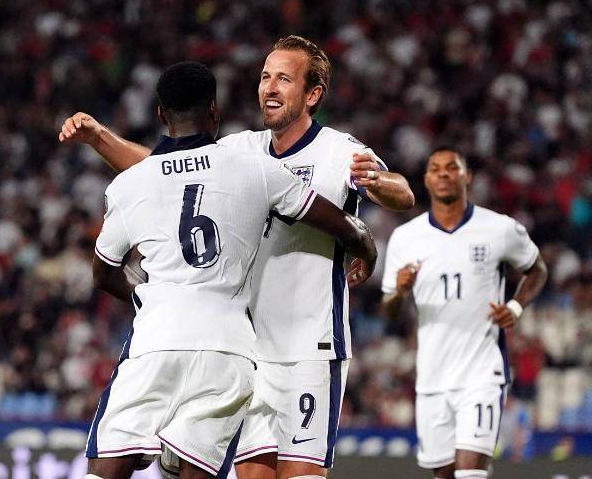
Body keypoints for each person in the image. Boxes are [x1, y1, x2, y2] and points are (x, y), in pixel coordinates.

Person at [61, 36, 414, 479]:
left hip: (308, 346)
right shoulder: (241, 150)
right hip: (244, 349)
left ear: (312, 94)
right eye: (265, 77)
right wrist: (99, 138)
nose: (270, 87)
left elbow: (403, 192)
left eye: (284, 79)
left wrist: (378, 184)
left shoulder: (339, 151)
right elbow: (163, 170)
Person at [381, 146, 548, 479]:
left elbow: (537, 269)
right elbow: (389, 311)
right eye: (435, 169)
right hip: (432, 377)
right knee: (444, 473)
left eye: (451, 167)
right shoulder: (405, 237)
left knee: (470, 473)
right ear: (426, 180)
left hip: (481, 373)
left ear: (467, 176)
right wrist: (400, 290)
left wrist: (516, 306)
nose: (443, 174)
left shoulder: (499, 228)